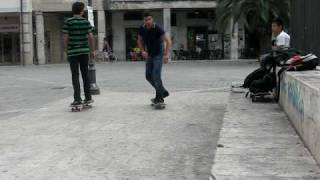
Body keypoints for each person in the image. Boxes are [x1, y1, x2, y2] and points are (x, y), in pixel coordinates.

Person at [63, 2, 95, 106]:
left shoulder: (68, 22)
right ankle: (88, 97)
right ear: (82, 11)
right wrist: (92, 51)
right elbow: (91, 37)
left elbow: (66, 37)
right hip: (84, 52)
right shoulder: (85, 22)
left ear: (73, 10)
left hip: (73, 52)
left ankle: (77, 99)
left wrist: (67, 50)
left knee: (75, 75)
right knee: (85, 75)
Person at [137, 12, 172, 105]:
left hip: (158, 55)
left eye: (149, 19)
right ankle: (163, 92)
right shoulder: (142, 28)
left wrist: (166, 55)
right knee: (148, 76)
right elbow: (139, 40)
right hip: (149, 55)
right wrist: (142, 51)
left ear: (152, 19)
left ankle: (159, 98)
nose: (148, 21)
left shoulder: (158, 28)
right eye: (146, 20)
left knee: (156, 76)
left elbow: (168, 41)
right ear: (143, 21)